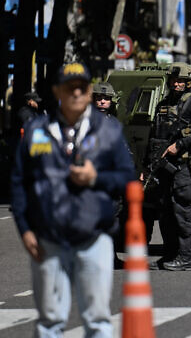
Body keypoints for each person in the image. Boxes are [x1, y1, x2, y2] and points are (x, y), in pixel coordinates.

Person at [11, 62, 135, 337]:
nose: (76, 94)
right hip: (49, 240)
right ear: (57, 92)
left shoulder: (107, 131)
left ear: (89, 91)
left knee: (98, 320)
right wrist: (24, 227)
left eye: (82, 88)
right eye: (70, 88)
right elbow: (20, 182)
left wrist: (96, 178)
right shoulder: (37, 131)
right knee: (50, 322)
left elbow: (127, 178)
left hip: (94, 238)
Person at [146, 63, 191, 271]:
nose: (177, 84)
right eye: (174, 81)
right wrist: (147, 165)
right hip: (163, 167)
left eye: (181, 81)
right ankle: (169, 255)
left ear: (187, 82)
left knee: (183, 210)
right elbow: (154, 137)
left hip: (183, 166)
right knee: (165, 212)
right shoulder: (163, 104)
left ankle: (185, 258)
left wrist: (180, 144)